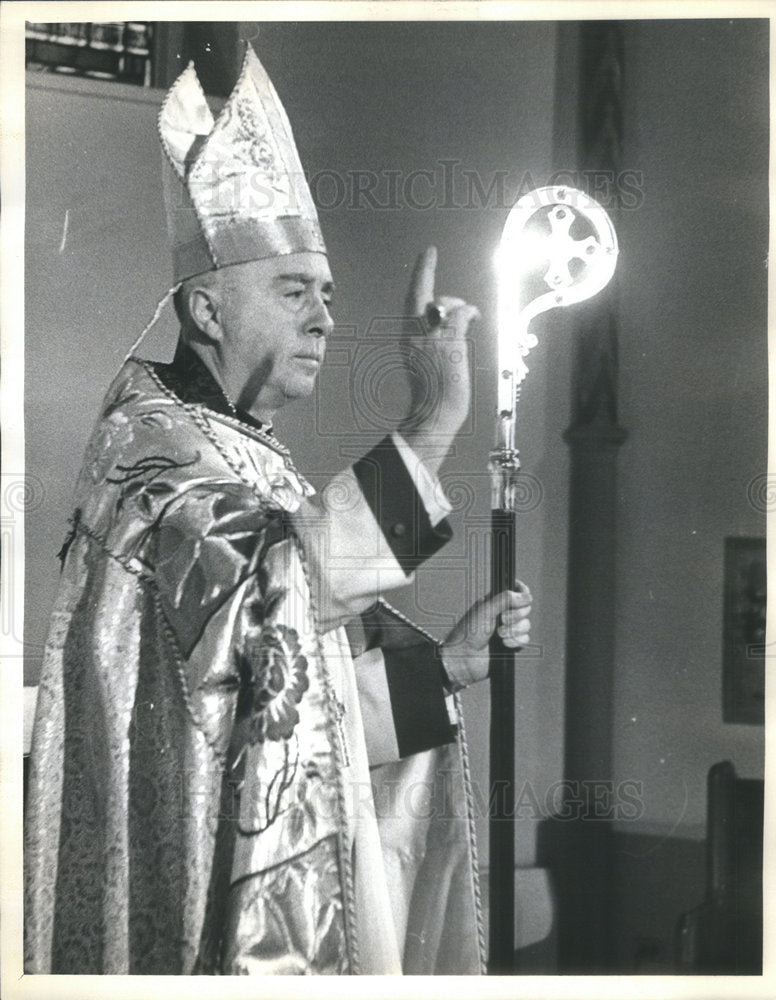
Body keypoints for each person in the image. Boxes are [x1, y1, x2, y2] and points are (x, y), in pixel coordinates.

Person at [24, 44, 532, 975]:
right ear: (208, 311)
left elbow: (288, 712)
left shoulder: (256, 467)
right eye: (294, 292)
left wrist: (443, 672)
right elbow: (279, 590)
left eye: (328, 297)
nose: (325, 320)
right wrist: (434, 418)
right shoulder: (153, 463)